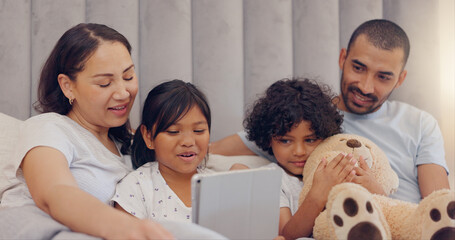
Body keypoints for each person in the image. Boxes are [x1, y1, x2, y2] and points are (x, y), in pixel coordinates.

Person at [0, 23, 224, 239]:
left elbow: (188, 144)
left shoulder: (130, 145)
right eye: (105, 84)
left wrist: (238, 170)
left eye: (128, 77)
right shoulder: (49, 128)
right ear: (68, 86)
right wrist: (125, 227)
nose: (123, 93)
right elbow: (54, 193)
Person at [210, 19, 450, 204]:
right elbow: (208, 151)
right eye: (358, 67)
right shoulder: (308, 119)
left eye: (383, 77)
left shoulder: (421, 123)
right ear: (342, 58)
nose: (366, 86)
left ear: (400, 79)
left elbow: (439, 206)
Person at [242, 78, 376, 239]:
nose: (299, 151)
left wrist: (373, 188)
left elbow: (384, 211)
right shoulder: (272, 180)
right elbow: (287, 235)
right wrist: (317, 195)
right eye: (285, 141)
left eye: (310, 140)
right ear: (268, 139)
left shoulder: (336, 168)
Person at [111, 79, 214, 222]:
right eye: (173, 131)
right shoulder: (136, 189)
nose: (189, 142)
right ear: (149, 136)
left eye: (198, 130)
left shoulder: (217, 185)